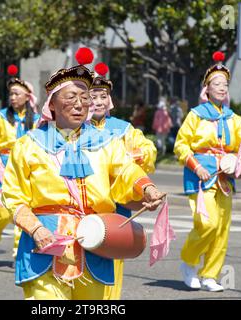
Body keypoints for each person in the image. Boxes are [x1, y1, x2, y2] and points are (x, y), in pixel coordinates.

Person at [1, 48, 166, 300]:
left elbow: (126, 170)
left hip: (95, 241)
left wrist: (147, 189)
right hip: (46, 243)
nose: (79, 104)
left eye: (84, 97)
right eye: (70, 97)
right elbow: (13, 197)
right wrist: (35, 229)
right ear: (52, 104)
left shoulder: (106, 141)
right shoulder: (29, 145)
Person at [174, 51, 241, 292]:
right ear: (206, 89)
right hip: (200, 177)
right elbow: (180, 145)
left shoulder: (234, 118)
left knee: (222, 229)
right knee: (207, 224)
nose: (221, 88)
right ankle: (188, 262)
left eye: (225, 85)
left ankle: (210, 275)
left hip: (225, 179)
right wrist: (196, 167)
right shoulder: (196, 116)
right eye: (216, 84)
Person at [89, 62, 157, 299]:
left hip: (119, 202)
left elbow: (149, 149)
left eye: (103, 96)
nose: (98, 101)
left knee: (115, 256)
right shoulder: (76, 129)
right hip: (88, 203)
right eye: (92, 96)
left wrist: (134, 155)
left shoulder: (123, 129)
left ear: (109, 100)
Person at [0, 64, 40, 264]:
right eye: (11, 94)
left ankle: (18, 253)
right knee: (1, 212)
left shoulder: (38, 119)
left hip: (27, 169)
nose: (13, 98)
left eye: (17, 94)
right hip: (4, 168)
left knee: (23, 212)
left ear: (28, 97)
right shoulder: (0, 117)